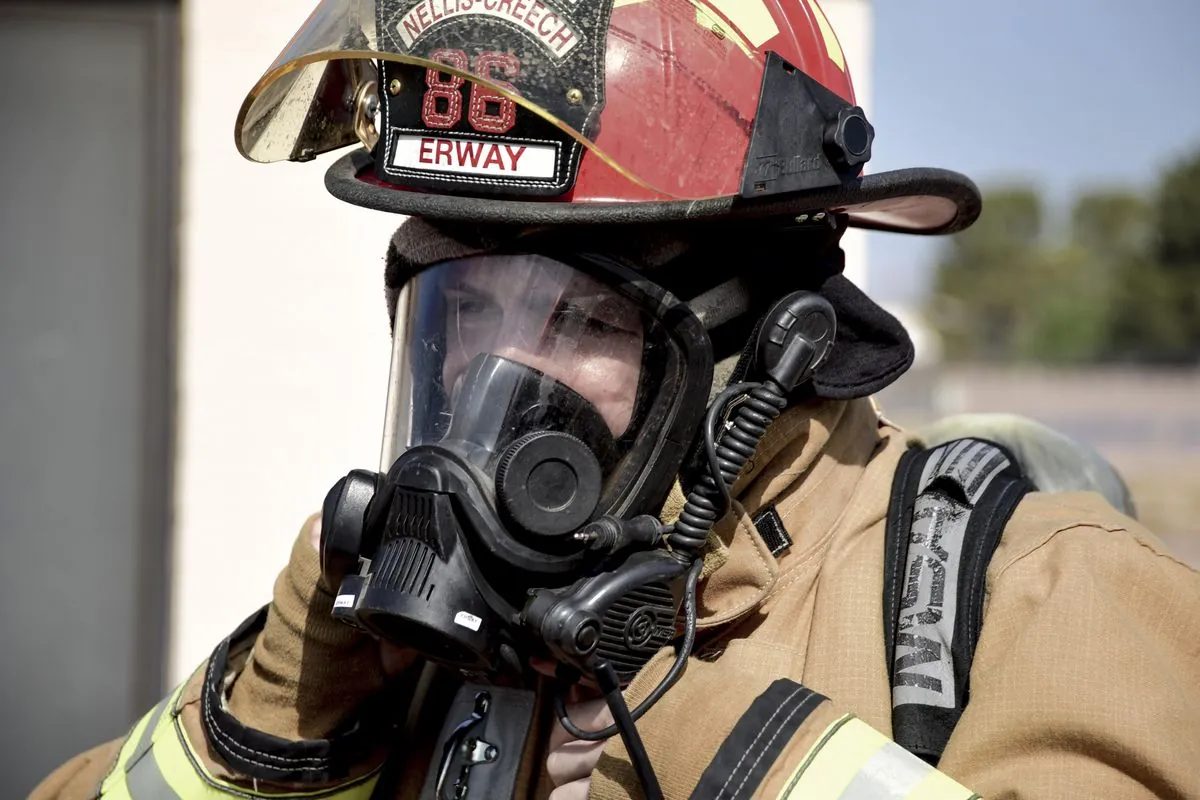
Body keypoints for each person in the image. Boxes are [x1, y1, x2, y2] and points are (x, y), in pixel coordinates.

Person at [33, 1, 1200, 798]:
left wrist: (724, 746)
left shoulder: (1044, 591)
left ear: (769, 336)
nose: (497, 379)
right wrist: (271, 715)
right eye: (463, 312)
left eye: (580, 320)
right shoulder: (412, 649)